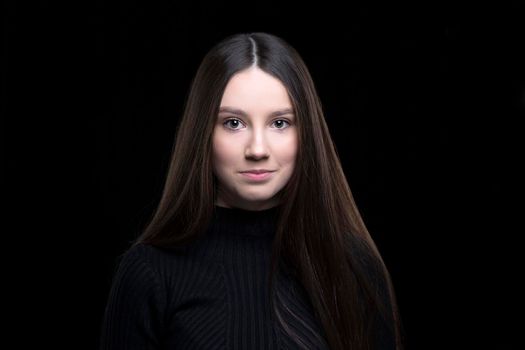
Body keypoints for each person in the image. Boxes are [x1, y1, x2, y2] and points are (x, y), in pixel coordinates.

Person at [99, 32, 405, 350]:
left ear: (307, 134)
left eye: (280, 123)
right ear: (203, 131)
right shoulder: (150, 272)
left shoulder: (354, 266)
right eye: (233, 123)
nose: (257, 149)